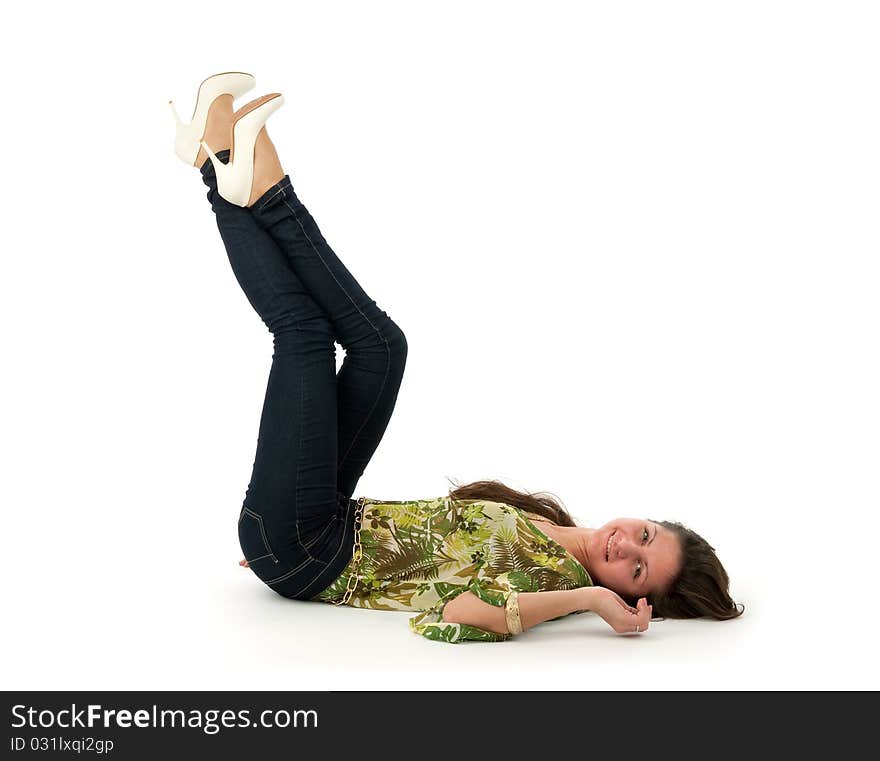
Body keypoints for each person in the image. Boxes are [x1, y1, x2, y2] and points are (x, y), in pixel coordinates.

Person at [170, 73, 743, 644]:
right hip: (319, 521)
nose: (624, 545)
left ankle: (216, 169)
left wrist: (592, 598)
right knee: (382, 349)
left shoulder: (560, 581)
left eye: (635, 568)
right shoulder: (555, 526)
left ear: (631, 594)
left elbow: (452, 615)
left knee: (305, 338)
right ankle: (237, 166)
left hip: (308, 548)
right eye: (643, 533)